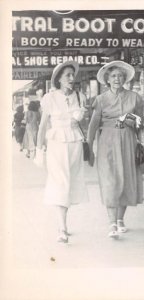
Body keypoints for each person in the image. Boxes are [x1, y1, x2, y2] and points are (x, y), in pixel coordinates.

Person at [87, 60, 144, 239]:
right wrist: (89, 148)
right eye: (113, 76)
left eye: (120, 76)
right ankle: (112, 222)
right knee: (110, 181)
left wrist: (137, 133)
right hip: (107, 142)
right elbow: (93, 125)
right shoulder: (100, 99)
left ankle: (121, 219)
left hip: (128, 141)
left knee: (126, 180)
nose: (117, 79)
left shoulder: (135, 97)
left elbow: (140, 122)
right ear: (107, 78)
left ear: (125, 78)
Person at [34, 61, 88, 244]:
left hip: (75, 143)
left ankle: (63, 224)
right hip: (56, 143)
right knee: (60, 182)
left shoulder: (80, 96)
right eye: (68, 75)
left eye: (73, 75)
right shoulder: (49, 98)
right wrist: (38, 150)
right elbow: (42, 127)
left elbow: (85, 124)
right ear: (59, 79)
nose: (72, 79)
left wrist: (81, 118)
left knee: (70, 183)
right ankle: (62, 228)